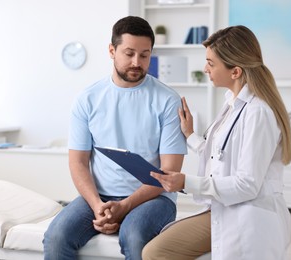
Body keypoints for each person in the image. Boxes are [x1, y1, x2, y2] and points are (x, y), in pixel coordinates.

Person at [142, 25, 291, 260]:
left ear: (235, 72)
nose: (205, 69)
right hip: (223, 206)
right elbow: (222, 155)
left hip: (247, 214)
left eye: (211, 64)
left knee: (155, 253)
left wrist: (186, 182)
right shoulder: (232, 102)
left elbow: (247, 185)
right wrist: (190, 135)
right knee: (154, 249)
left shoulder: (258, 113)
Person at [43, 16, 187, 260]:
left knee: (134, 235)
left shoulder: (167, 100)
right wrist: (99, 207)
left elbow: (169, 171)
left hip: (154, 199)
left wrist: (125, 207)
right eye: (129, 53)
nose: (137, 62)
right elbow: (78, 162)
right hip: (100, 196)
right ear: (112, 50)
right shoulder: (87, 99)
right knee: (56, 238)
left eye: (144, 55)